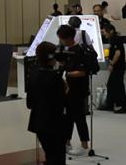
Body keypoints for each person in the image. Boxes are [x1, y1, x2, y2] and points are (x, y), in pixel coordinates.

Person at [27, 41, 68, 165]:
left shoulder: (33, 73)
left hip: (38, 122)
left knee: (50, 154)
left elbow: (29, 103)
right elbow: (63, 101)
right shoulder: (55, 77)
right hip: (54, 123)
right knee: (57, 158)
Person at [57, 24, 91, 156]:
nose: (60, 41)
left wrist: (67, 74)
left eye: (61, 38)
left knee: (79, 117)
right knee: (68, 117)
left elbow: (82, 72)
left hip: (78, 89)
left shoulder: (78, 51)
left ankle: (84, 145)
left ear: (68, 38)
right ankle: (67, 142)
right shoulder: (66, 50)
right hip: (68, 90)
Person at [102, 23, 126, 113]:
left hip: (118, 67)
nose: (104, 34)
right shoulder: (113, 40)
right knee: (111, 85)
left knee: (119, 86)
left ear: (111, 31)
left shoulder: (116, 40)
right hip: (117, 67)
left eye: (105, 32)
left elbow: (118, 53)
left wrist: (111, 64)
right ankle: (110, 104)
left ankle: (124, 107)